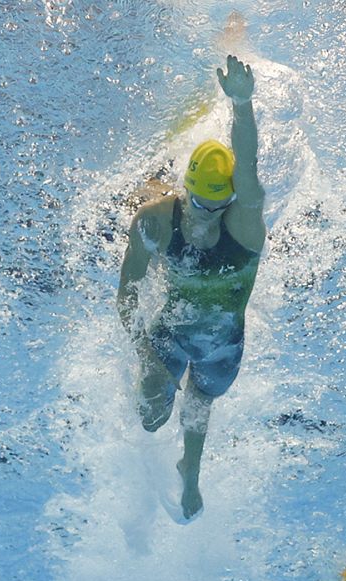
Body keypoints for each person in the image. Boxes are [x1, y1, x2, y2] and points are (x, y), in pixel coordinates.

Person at [115, 54, 266, 521]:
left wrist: (242, 104)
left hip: (223, 347)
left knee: (200, 402)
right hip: (174, 330)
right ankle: (149, 177)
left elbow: (248, 162)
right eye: (197, 201)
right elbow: (127, 293)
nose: (205, 213)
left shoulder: (245, 224)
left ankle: (191, 471)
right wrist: (145, 354)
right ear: (186, 191)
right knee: (150, 415)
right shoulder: (157, 220)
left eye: (216, 204)